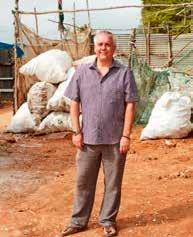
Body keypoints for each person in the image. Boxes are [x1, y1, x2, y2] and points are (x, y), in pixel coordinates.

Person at [61, 30, 139, 237]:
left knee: (113, 184)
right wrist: (76, 131)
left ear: (113, 48)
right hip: (88, 140)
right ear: (94, 47)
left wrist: (126, 135)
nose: (103, 48)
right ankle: (78, 221)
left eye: (107, 44)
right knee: (83, 182)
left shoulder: (124, 73)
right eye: (100, 44)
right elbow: (74, 103)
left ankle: (108, 221)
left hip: (115, 140)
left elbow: (130, 105)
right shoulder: (82, 72)